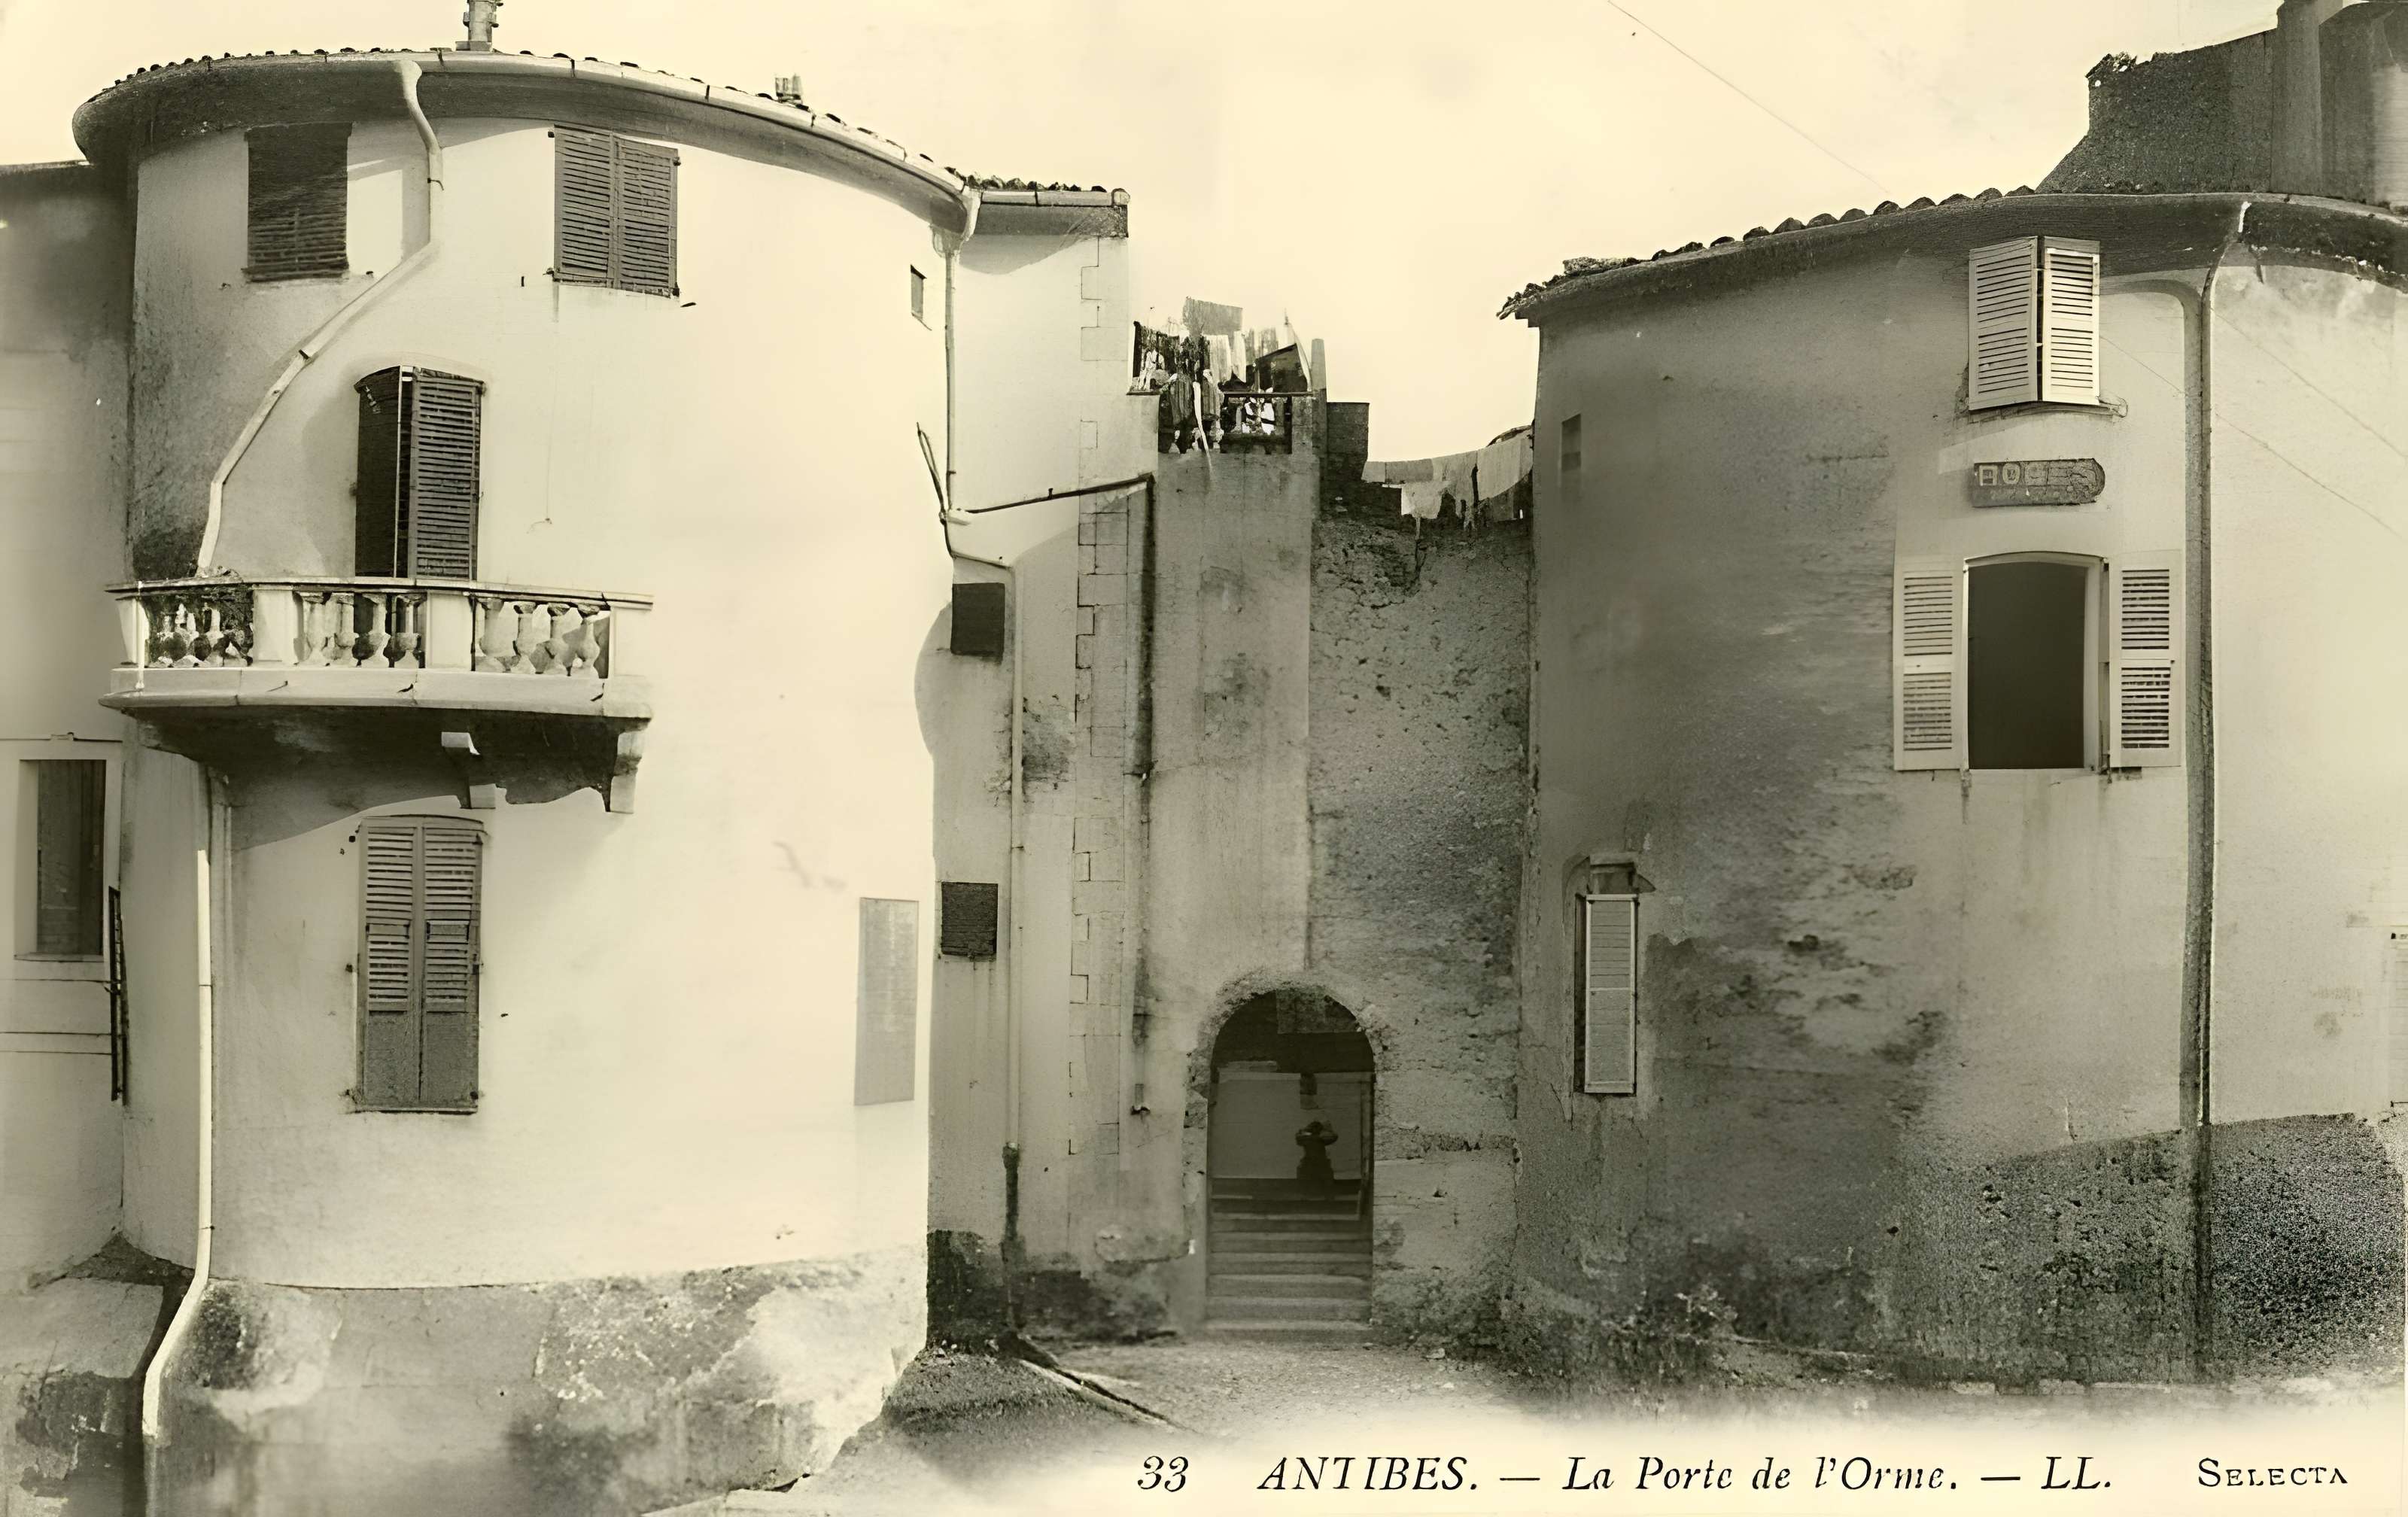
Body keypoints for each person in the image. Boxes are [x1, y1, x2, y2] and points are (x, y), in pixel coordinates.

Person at [1294, 1118, 1338, 1193]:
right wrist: (1328, 1129)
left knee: (1304, 1177)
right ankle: (1329, 1194)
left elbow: (1298, 1135)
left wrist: (1306, 1130)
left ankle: (1304, 1193)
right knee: (1327, 1179)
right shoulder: (1321, 1139)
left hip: (1308, 1161)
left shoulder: (1306, 1138)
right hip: (1321, 1161)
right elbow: (1335, 1137)